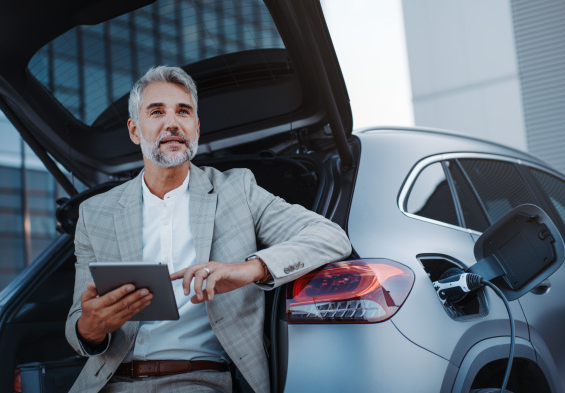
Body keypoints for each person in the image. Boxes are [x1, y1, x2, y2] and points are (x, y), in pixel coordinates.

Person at [65, 66, 352, 393]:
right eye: (157, 111)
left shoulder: (238, 191)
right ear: (134, 130)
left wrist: (249, 269)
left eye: (183, 112)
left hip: (199, 381)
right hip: (106, 383)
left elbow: (330, 237)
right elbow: (78, 325)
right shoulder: (94, 213)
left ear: (196, 128)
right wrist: (92, 328)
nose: (172, 122)